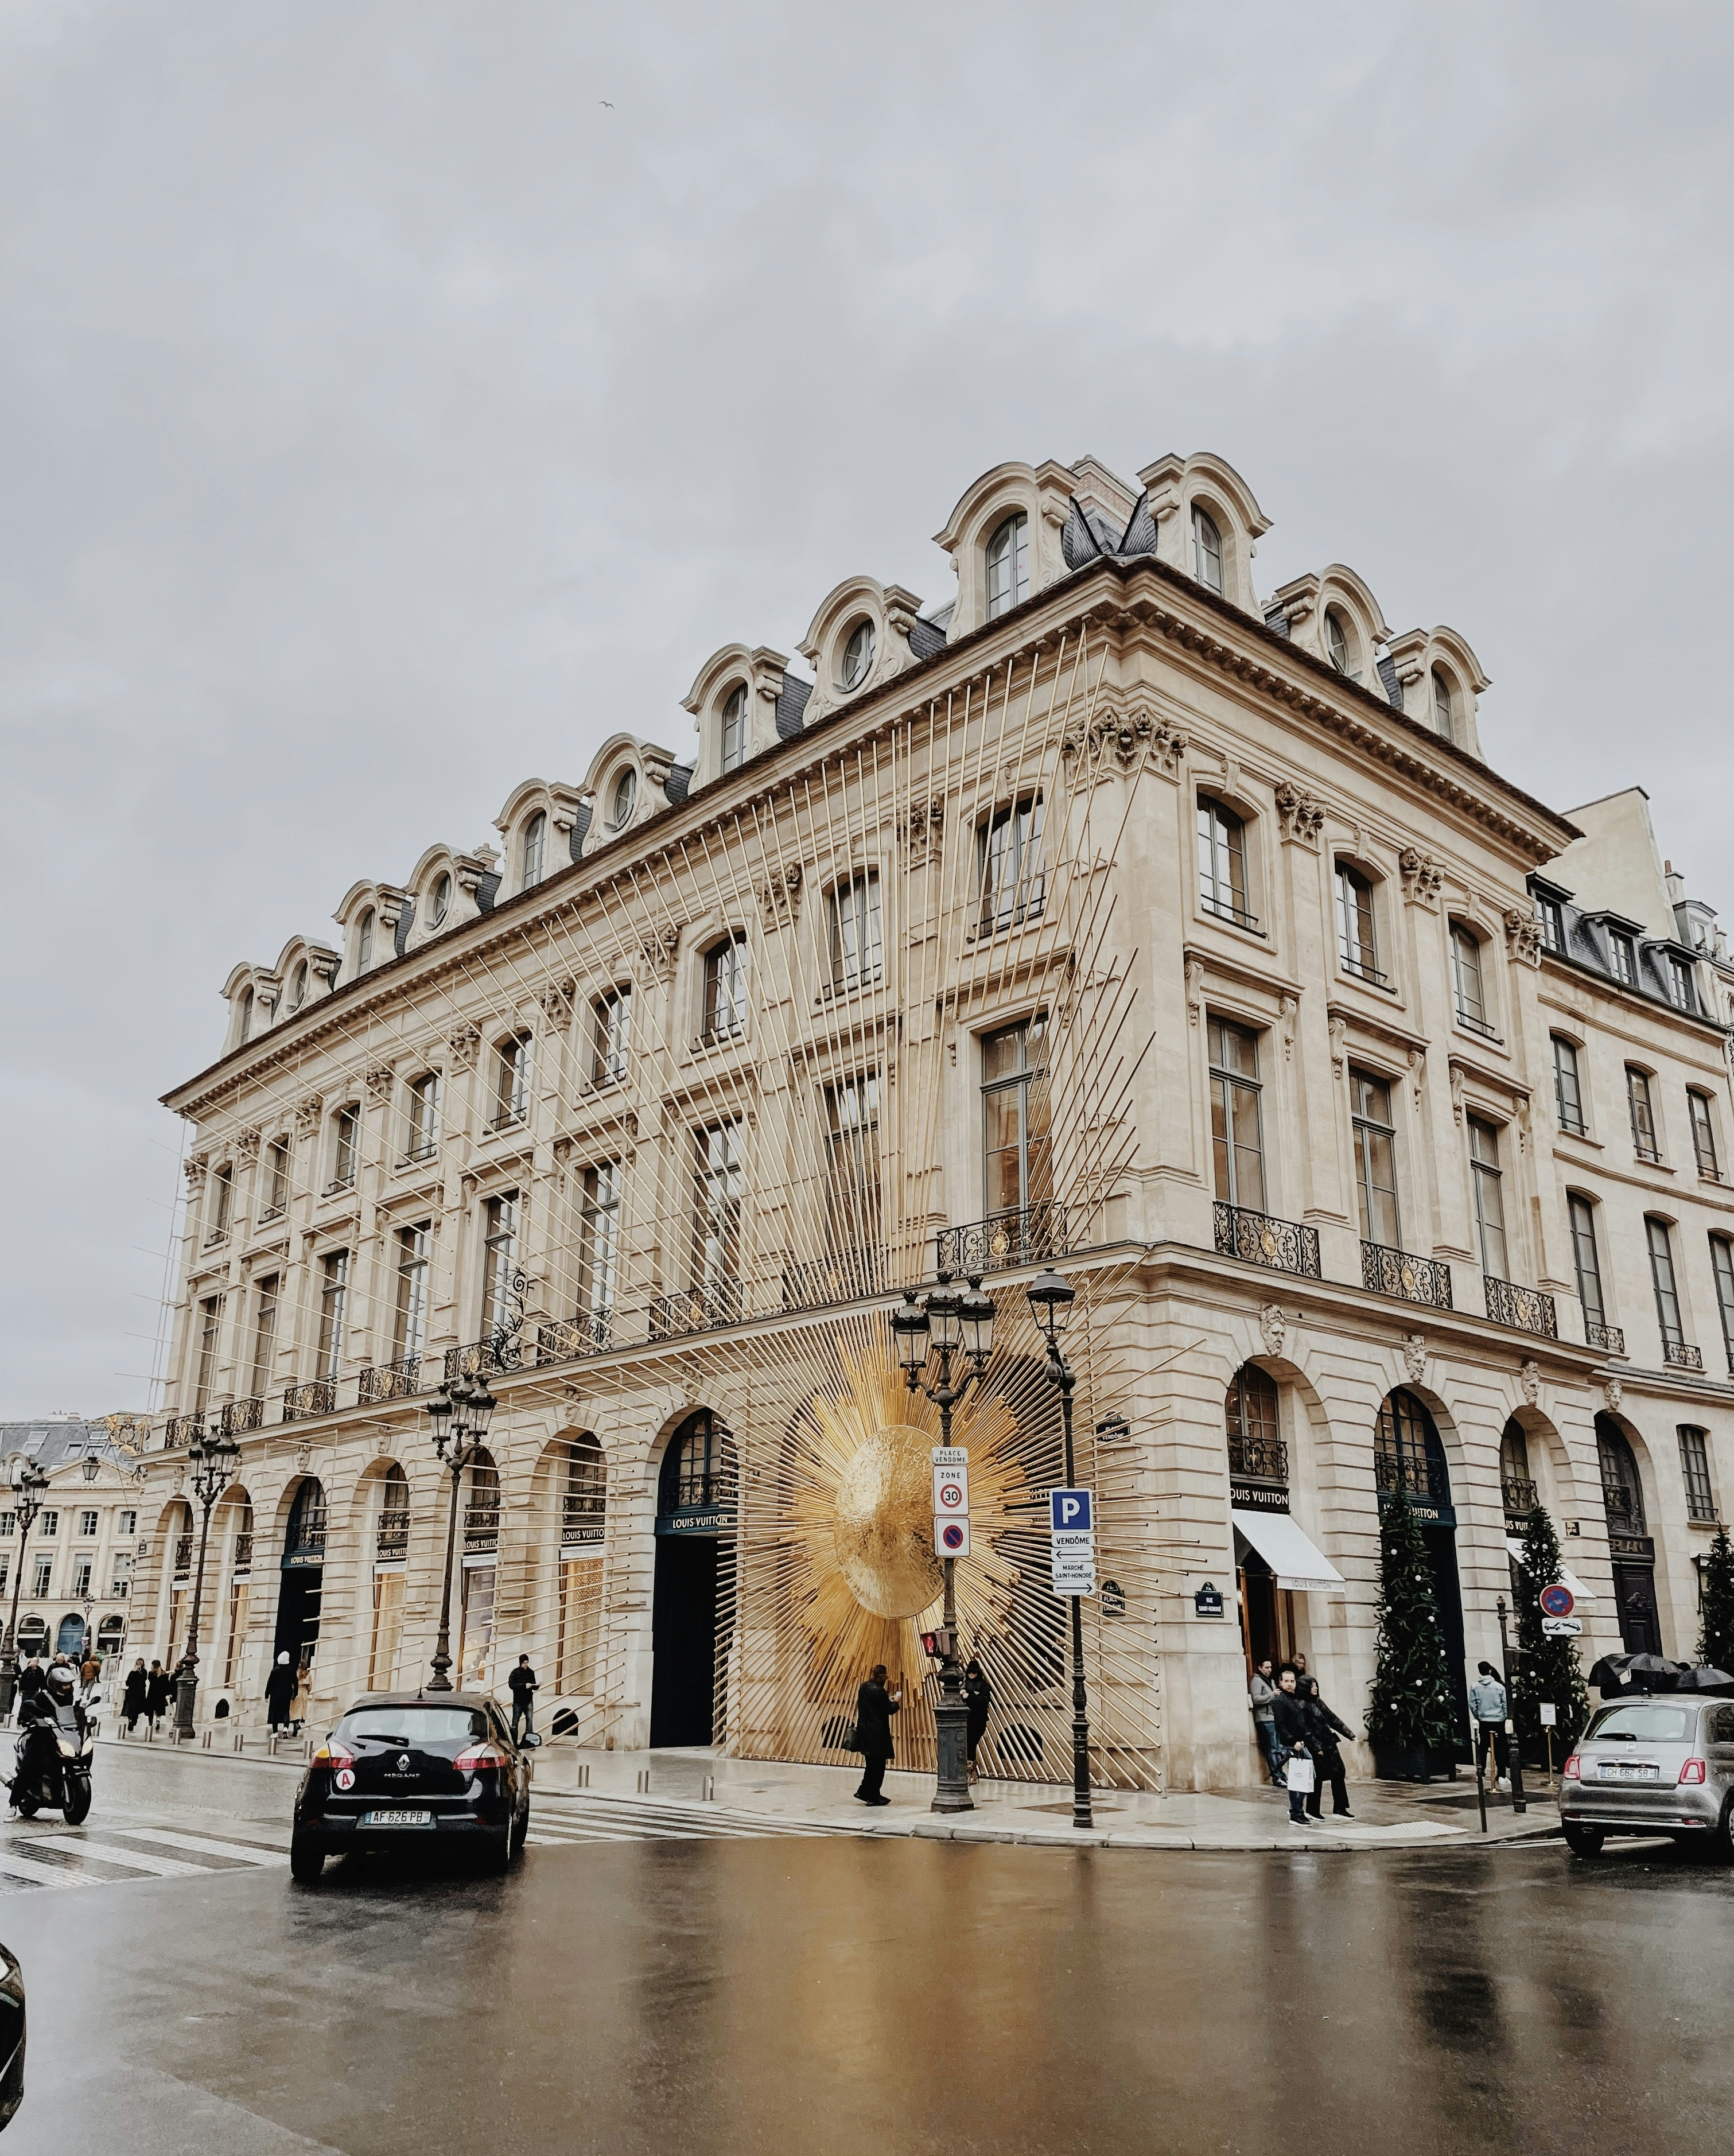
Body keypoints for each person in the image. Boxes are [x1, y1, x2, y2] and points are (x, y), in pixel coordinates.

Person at [1298, 1676, 1357, 1819]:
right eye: (1312, 1686)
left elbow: (1332, 1719)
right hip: (1316, 1746)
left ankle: (1340, 1809)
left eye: (1316, 1685)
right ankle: (1312, 1810)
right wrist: (1316, 1747)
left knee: (1339, 1773)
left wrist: (1350, 1734)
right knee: (1317, 1778)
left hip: (1329, 1743)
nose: (1315, 1688)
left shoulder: (1318, 1702)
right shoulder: (1301, 1705)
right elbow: (1305, 1730)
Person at [852, 1663, 901, 1805]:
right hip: (877, 1734)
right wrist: (896, 1702)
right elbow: (889, 1710)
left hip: (865, 1732)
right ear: (883, 1677)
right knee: (878, 1767)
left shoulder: (864, 1687)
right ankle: (873, 1796)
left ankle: (864, 1791)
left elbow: (872, 1705)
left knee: (870, 1766)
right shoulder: (879, 1691)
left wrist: (887, 1700)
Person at [1469, 1661, 1511, 1791]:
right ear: (1490, 1671)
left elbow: (1473, 1704)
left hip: (1484, 1721)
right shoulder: (1499, 1687)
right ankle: (1502, 1775)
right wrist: (1504, 1717)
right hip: (1498, 1721)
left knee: (1483, 1747)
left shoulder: (1475, 1687)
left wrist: (1478, 1716)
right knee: (1499, 1748)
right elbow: (1505, 1704)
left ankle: (1480, 1773)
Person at [1249, 1659, 1283, 1786]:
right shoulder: (1257, 1680)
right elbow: (1256, 1699)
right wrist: (1272, 1695)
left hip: (1273, 1718)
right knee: (1272, 1749)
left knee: (1277, 1749)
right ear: (1260, 1668)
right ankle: (1277, 1777)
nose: (1269, 1670)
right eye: (1267, 1667)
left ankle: (1281, 1775)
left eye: (1270, 1667)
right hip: (1264, 1718)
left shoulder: (1270, 1680)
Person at [963, 1658, 992, 1781]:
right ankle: (972, 1772)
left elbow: (984, 1701)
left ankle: (971, 1772)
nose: (971, 1674)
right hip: (966, 1719)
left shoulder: (983, 1685)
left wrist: (969, 1697)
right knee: (968, 1744)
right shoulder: (964, 1684)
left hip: (978, 1720)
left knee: (971, 1743)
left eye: (974, 1672)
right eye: (969, 1672)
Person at [508, 1654, 538, 1743]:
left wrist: (536, 1685)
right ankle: (514, 1742)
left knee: (529, 1723)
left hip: (528, 1700)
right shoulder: (515, 1672)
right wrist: (524, 1686)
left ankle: (528, 1742)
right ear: (521, 1663)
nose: (525, 1665)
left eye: (527, 1663)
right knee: (515, 1723)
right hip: (518, 1701)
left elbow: (533, 1685)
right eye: (524, 1663)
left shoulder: (531, 1672)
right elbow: (511, 1685)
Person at [265, 1651, 296, 1734]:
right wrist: (295, 1694)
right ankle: (286, 1727)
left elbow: (270, 1683)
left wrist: (266, 1695)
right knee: (286, 1711)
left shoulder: (275, 1670)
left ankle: (275, 1730)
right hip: (287, 1694)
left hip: (275, 1694)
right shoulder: (291, 1670)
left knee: (275, 1712)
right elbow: (295, 1683)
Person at [144, 1660, 172, 1728]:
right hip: (160, 1695)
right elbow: (167, 1685)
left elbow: (150, 1680)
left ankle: (150, 1724)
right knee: (159, 1711)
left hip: (152, 1694)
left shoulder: (151, 1674)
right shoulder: (164, 1674)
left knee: (151, 1711)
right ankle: (158, 1722)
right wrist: (168, 1693)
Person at [122, 1659, 148, 1732]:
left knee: (130, 1708)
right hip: (140, 1693)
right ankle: (133, 1722)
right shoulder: (144, 1672)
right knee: (136, 1709)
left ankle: (130, 1721)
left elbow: (127, 1683)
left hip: (132, 1692)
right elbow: (145, 1680)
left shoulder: (132, 1672)